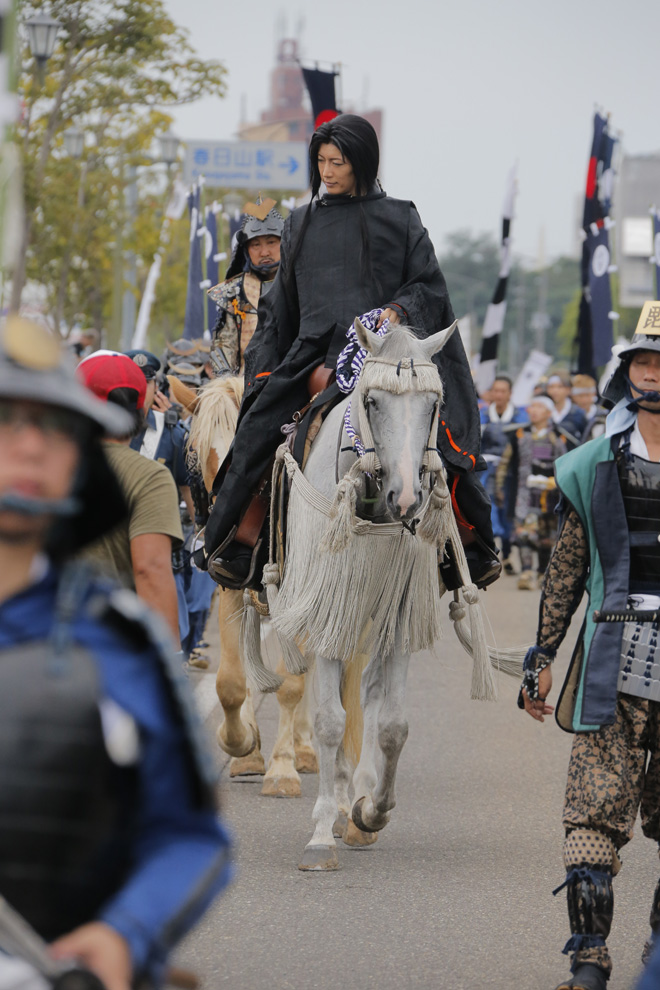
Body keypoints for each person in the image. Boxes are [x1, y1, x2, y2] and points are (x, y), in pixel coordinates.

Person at [0, 317, 231, 990]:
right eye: (6, 421)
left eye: (55, 427)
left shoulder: (123, 642)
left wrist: (125, 931)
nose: (30, 446)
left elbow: (190, 838)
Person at [201, 113, 498, 589]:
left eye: (336, 162)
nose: (327, 172)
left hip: (386, 353)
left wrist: (397, 310)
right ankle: (240, 539)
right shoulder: (300, 222)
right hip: (315, 356)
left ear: (361, 161)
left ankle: (464, 542)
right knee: (256, 431)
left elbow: (428, 285)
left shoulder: (402, 216)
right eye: (321, 161)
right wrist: (265, 367)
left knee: (439, 434)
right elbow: (281, 306)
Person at [519, 301, 660, 990]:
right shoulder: (589, 465)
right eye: (643, 361)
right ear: (626, 373)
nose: (653, 373)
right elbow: (567, 569)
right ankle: (588, 961)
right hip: (613, 663)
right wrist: (541, 658)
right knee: (591, 816)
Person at [77, 353, 183, 644]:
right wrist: (168, 659)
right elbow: (150, 571)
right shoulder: (150, 478)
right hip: (106, 646)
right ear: (141, 409)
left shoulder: (33, 466)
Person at [495, 395, 565, 590]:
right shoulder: (520, 435)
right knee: (524, 533)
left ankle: (542, 572)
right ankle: (526, 572)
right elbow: (505, 462)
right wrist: (499, 486)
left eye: (539, 407)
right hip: (524, 494)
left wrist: (557, 483)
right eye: (532, 406)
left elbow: (565, 463)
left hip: (550, 495)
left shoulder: (558, 437)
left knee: (546, 536)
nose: (533, 410)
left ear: (548, 412)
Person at [207, 199, 283, 375]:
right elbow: (224, 346)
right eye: (256, 245)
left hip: (294, 376)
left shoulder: (300, 283)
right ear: (246, 249)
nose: (264, 252)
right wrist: (225, 378)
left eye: (271, 242)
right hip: (247, 381)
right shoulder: (235, 291)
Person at [479, 374, 528, 573]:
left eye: (502, 391)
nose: (499, 395)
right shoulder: (481, 415)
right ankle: (489, 556)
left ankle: (507, 554)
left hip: (509, 473)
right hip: (484, 472)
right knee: (485, 511)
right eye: (495, 391)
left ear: (510, 394)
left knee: (508, 511)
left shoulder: (519, 416)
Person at [546, 369, 587, 449]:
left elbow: (585, 440)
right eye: (551, 387)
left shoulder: (578, 413)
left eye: (560, 386)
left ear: (569, 389)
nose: (555, 390)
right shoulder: (544, 412)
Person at [572, 373, 607, 443]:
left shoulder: (603, 415)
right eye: (580, 396)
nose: (584, 400)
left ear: (594, 394)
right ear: (573, 396)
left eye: (587, 395)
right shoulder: (571, 416)